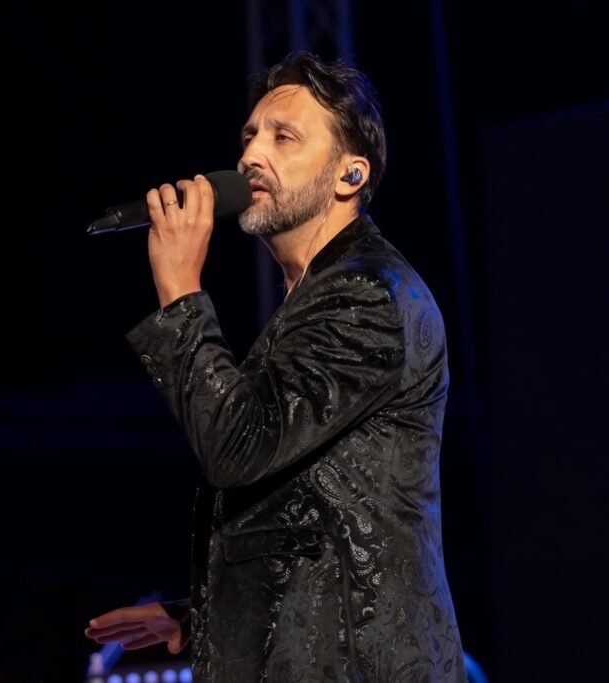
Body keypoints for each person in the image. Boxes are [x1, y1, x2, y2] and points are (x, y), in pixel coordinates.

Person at [85, 51, 466, 682]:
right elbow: (305, 519)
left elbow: (236, 448)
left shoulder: (367, 295)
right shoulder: (316, 298)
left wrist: (181, 293)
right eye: (249, 136)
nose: (250, 156)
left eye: (283, 137)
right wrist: (202, 616)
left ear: (349, 174)